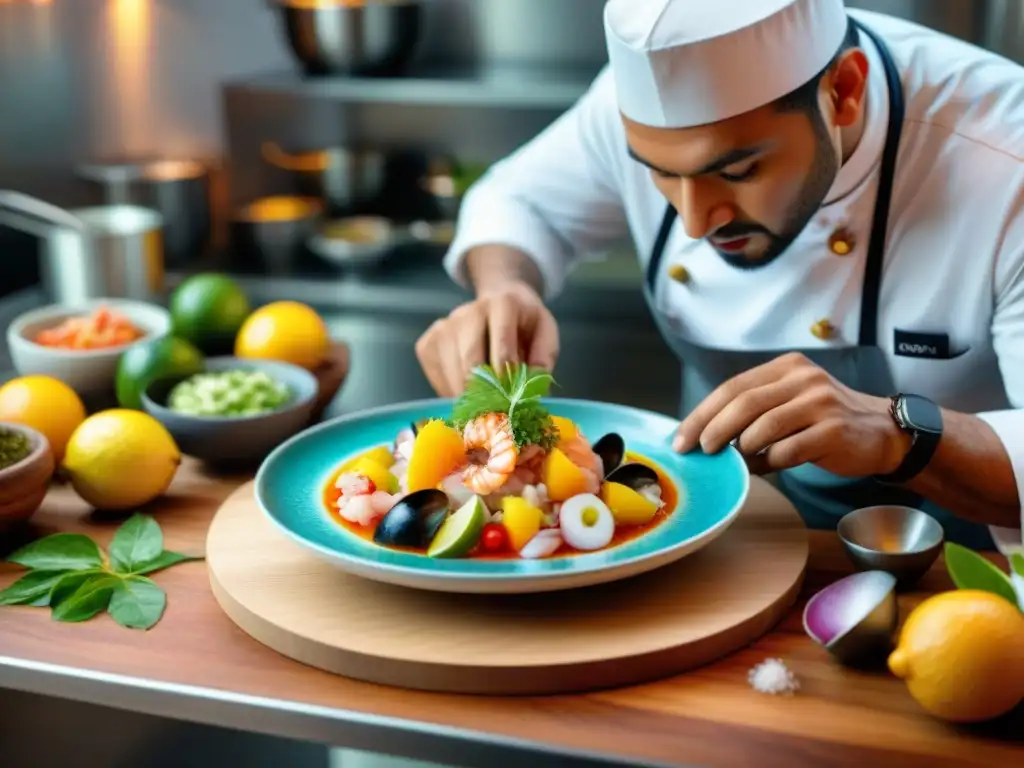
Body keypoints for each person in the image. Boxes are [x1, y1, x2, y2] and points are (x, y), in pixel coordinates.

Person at [414, 0, 1024, 552]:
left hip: (974, 559)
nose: (696, 222)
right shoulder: (632, 112)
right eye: (658, 173)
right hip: (732, 541)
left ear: (843, 91)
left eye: (739, 171)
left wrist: (896, 433)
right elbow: (518, 203)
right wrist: (506, 288)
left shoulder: (1005, 157)